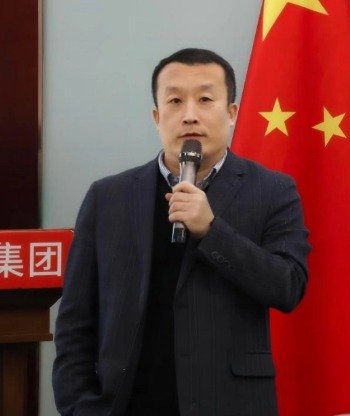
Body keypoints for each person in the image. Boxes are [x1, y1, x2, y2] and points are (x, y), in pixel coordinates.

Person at [52, 47, 311, 416]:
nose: (190, 114)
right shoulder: (108, 198)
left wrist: (212, 231)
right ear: (157, 116)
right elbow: (75, 322)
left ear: (232, 112)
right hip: (127, 405)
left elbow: (288, 286)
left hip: (231, 405)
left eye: (205, 99)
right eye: (175, 101)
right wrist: (81, 407)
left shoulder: (272, 190)